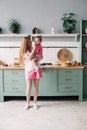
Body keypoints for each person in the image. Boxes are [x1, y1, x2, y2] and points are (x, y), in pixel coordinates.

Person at [19, 36, 43, 110]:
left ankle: (35, 103)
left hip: (36, 69)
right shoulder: (23, 52)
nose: (31, 42)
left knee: (36, 87)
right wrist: (34, 50)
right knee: (29, 87)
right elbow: (29, 58)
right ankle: (28, 103)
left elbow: (41, 57)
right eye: (29, 41)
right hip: (29, 70)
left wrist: (39, 58)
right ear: (25, 43)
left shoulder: (34, 48)